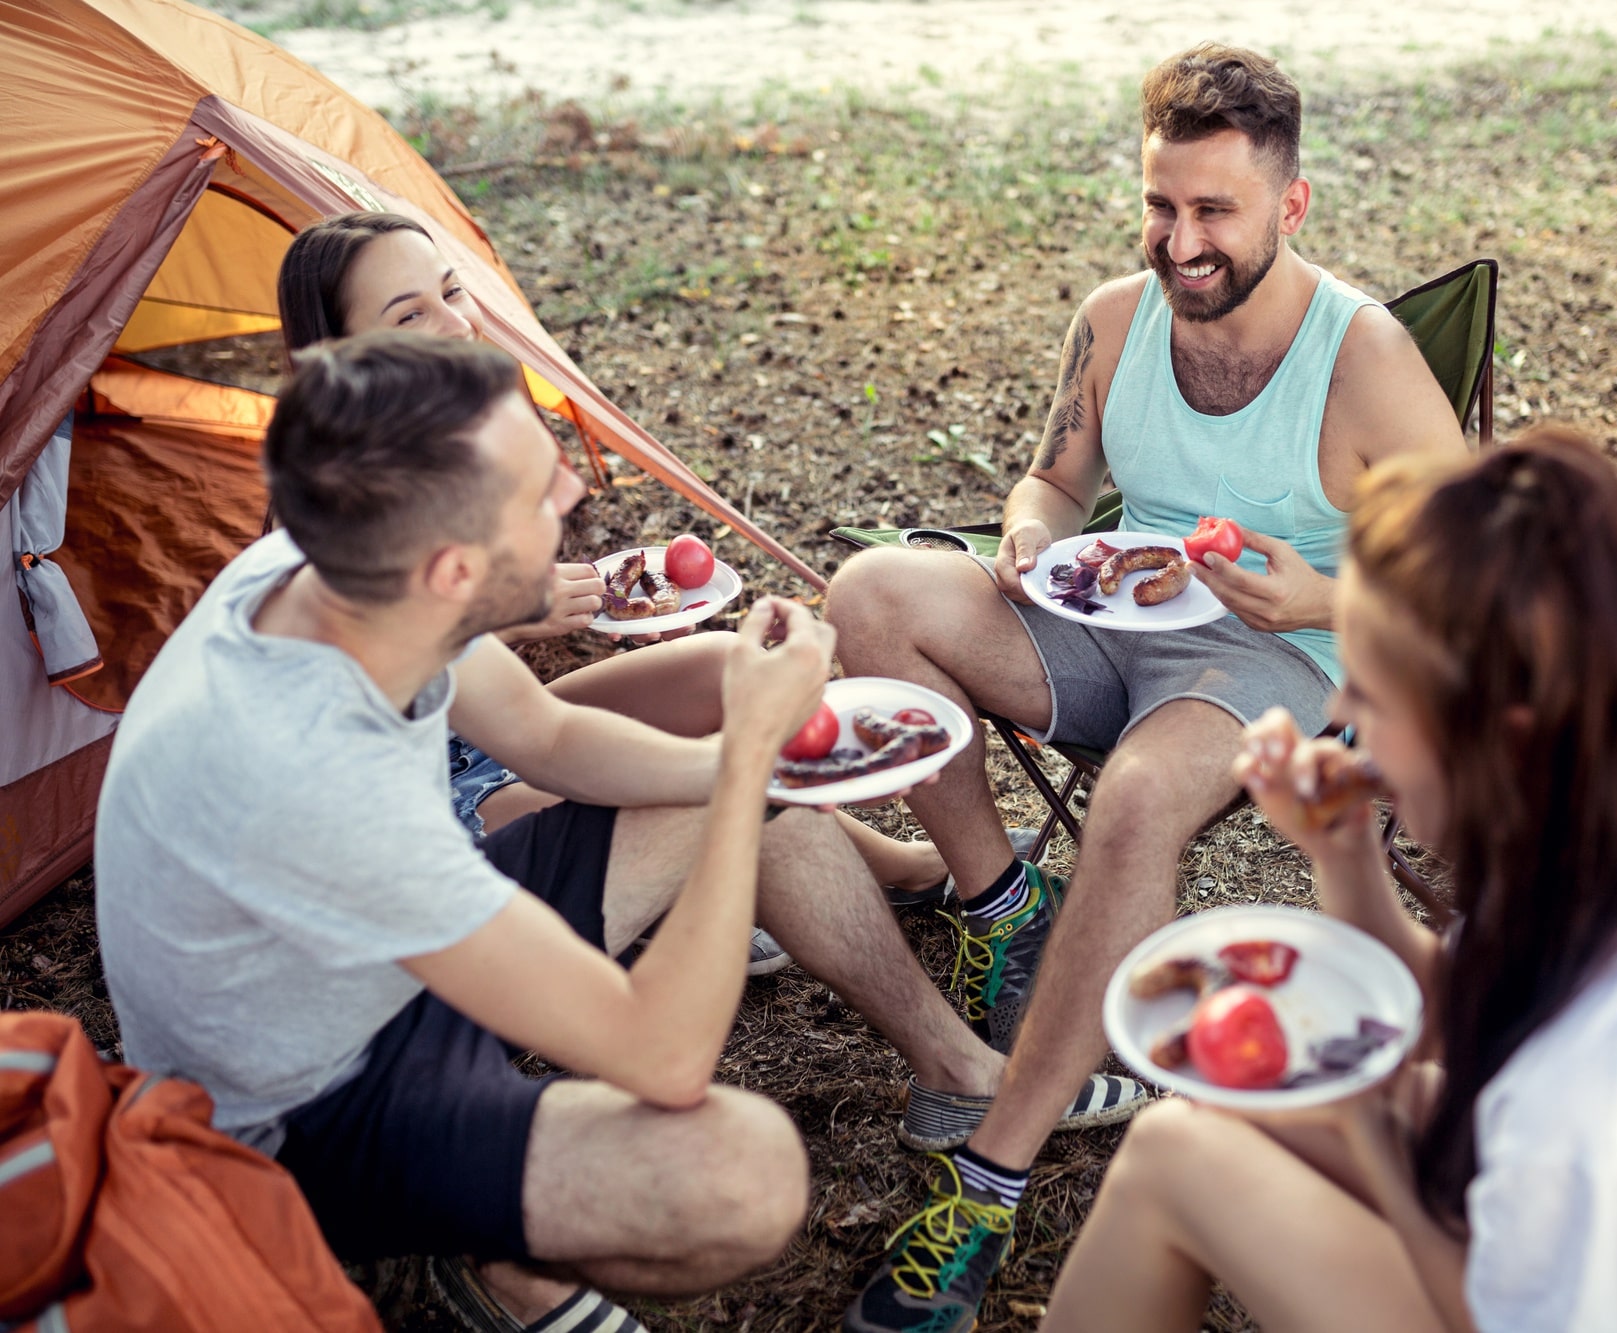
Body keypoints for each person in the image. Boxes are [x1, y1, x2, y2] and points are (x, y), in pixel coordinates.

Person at [93, 334, 1126, 1333]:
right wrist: (742, 781)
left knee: (741, 770)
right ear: (454, 571)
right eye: (538, 494)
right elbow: (663, 1054)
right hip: (314, 1105)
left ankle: (956, 1075)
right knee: (742, 1177)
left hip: (391, 956)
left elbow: (544, 733)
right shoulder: (311, 780)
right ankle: (491, 1252)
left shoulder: (334, 568)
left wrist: (755, 759)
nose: (572, 500)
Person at [825, 43, 1467, 1331]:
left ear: (1290, 205)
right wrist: (1025, 528)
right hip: (1108, 615)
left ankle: (988, 1180)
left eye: (1213, 211)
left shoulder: (1365, 358)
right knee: (868, 594)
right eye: (1160, 206)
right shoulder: (1116, 318)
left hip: (1273, 653)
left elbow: (1484, 584)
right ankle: (1004, 906)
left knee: (1131, 802)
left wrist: (1326, 602)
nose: (1181, 243)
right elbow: (1056, 482)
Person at [1039, 428, 1617, 1332]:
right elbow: (1461, 1012)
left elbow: (1483, 1305)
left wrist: (1368, 1116)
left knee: (1178, 1156)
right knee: (1222, 1110)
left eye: (1372, 692)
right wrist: (1344, 856)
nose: (1339, 713)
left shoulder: (1616, 1051)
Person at [277, 212, 960, 978]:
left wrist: (510, 616)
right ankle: (738, 889)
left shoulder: (443, 453)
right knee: (714, 784)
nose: (456, 324)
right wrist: (507, 617)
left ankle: (894, 866)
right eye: (409, 315)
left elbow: (500, 700)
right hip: (431, 811)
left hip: (481, 739)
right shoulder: (341, 522)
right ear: (335, 358)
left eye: (451, 291)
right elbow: (380, 718)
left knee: (719, 663)